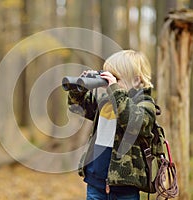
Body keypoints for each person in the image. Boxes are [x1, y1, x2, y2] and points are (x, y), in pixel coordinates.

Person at [67, 50, 156, 200]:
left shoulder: (145, 104)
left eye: (115, 78)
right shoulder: (105, 102)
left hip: (125, 185)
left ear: (136, 80)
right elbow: (77, 107)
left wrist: (115, 90)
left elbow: (132, 122)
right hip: (96, 181)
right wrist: (80, 88)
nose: (108, 83)